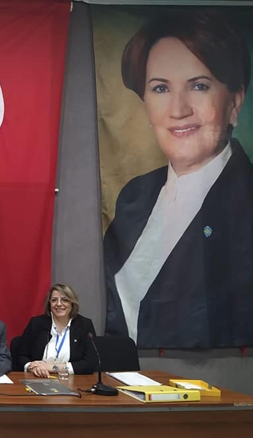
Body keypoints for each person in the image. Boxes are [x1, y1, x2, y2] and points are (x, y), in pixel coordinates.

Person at [104, 9, 253, 348]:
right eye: (160, 88)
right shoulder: (133, 196)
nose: (178, 109)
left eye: (199, 85)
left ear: (235, 103)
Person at [16, 283, 97, 377]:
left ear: (72, 303)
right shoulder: (37, 324)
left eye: (64, 300)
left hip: (71, 380)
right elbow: (20, 355)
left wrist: (52, 368)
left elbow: (90, 362)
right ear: (49, 304)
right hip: (38, 378)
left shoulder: (84, 325)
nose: (58, 304)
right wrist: (32, 367)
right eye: (54, 300)